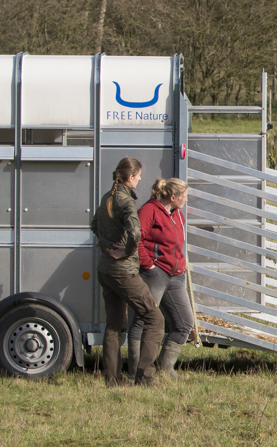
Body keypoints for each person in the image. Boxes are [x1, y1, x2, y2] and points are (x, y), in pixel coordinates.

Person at [89, 156, 162, 386]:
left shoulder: (107, 197)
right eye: (139, 176)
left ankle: (112, 379)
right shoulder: (126, 201)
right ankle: (145, 377)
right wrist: (127, 252)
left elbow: (93, 225)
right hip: (123, 272)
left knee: (115, 325)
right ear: (130, 177)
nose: (140, 179)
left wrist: (105, 244)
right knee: (154, 318)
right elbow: (136, 233)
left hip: (105, 271)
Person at [139, 177, 195, 374]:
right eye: (184, 196)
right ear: (173, 197)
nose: (186, 200)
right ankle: (138, 371)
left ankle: (165, 369)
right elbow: (135, 238)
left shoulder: (178, 214)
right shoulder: (149, 210)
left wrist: (181, 265)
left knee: (185, 323)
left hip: (176, 276)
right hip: (156, 275)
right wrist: (148, 265)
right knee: (145, 320)